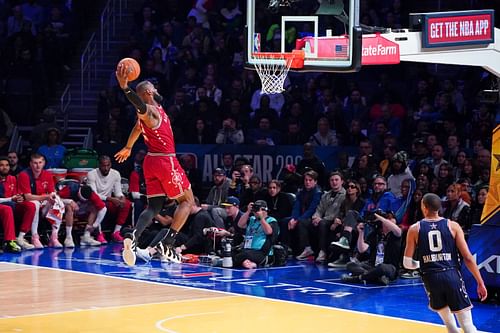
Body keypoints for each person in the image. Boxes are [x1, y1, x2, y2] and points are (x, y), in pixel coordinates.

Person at [114, 64, 194, 266]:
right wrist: (125, 88)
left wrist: (128, 146)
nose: (158, 91)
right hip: (165, 160)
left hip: (150, 161)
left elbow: (136, 128)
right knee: (187, 201)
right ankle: (168, 242)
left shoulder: (154, 111)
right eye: (155, 89)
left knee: (154, 206)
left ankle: (133, 237)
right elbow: (139, 106)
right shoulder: (149, 110)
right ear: (149, 92)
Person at [404, 193, 487, 333]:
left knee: (450, 325)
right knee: (467, 325)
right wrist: (480, 282)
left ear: (424, 207)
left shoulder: (414, 229)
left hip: (431, 278)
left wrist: (423, 264)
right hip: (451, 275)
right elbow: (467, 257)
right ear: (439, 208)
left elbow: (407, 263)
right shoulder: (452, 226)